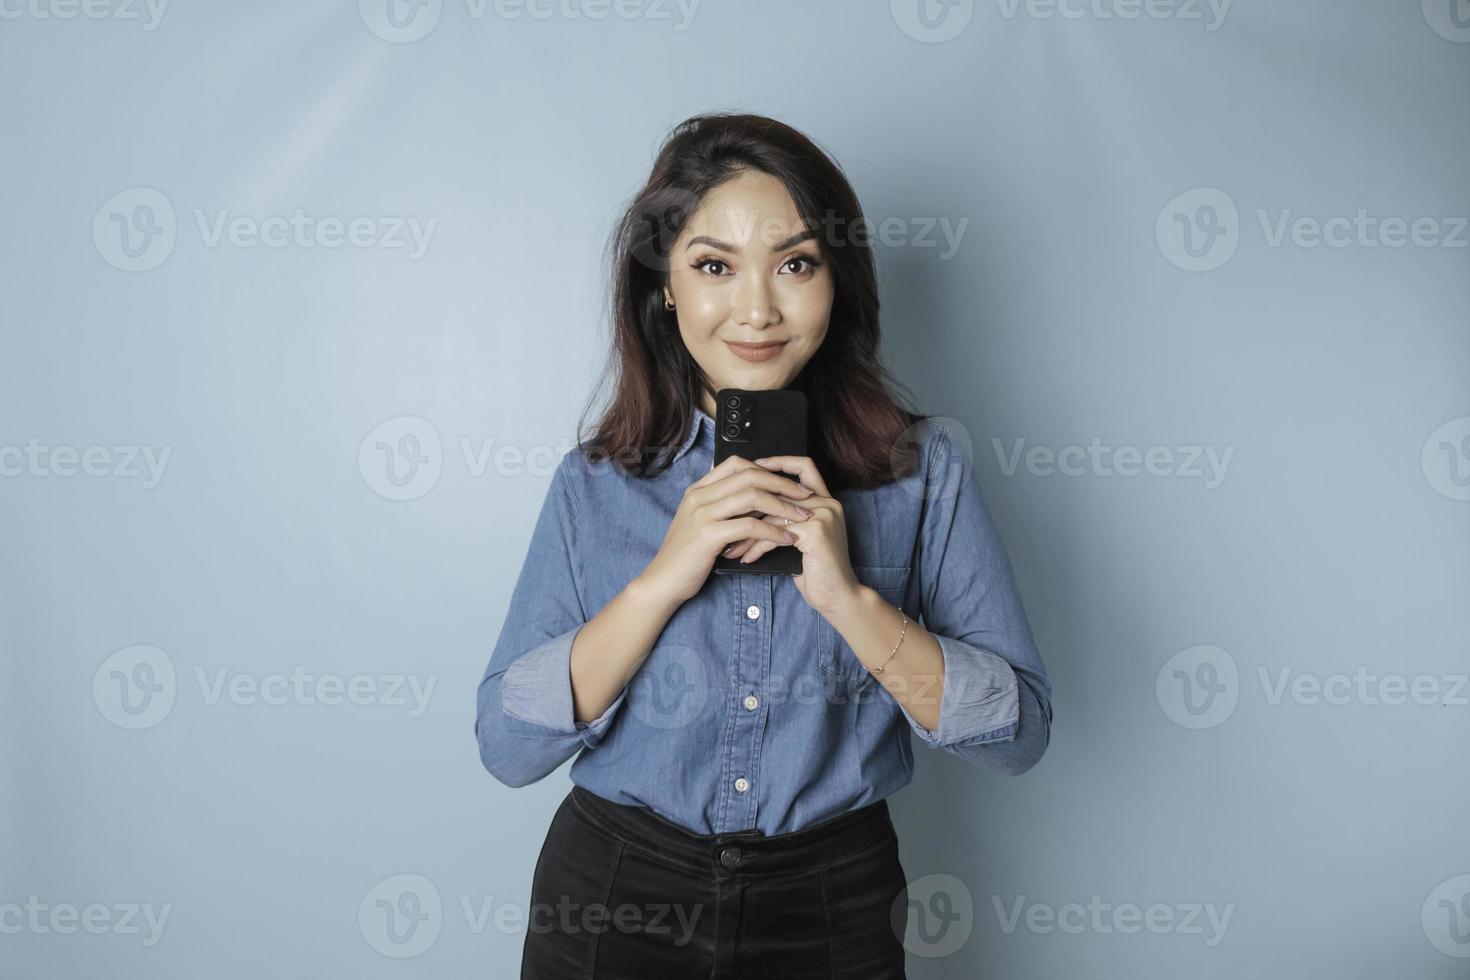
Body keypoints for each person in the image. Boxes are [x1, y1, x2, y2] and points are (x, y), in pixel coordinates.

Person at [475, 111, 1053, 979]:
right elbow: (508, 748)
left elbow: (1018, 735)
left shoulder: (922, 472)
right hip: (614, 893)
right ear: (665, 286)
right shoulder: (595, 483)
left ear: (837, 281)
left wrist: (851, 602)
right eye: (714, 266)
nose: (757, 309)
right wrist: (664, 579)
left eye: (795, 264)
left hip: (835, 901)